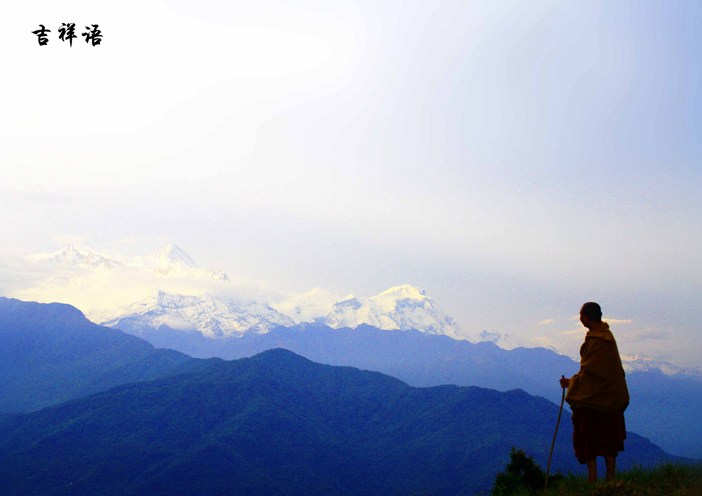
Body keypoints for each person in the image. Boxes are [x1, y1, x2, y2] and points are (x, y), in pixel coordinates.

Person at [559, 302, 629, 483]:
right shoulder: (605, 338)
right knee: (609, 439)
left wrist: (571, 384)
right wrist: (573, 382)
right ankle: (610, 478)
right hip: (610, 398)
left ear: (587, 318)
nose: (580, 319)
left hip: (595, 402)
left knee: (589, 438)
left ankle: (594, 478)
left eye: (581, 316)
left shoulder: (599, 341)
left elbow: (592, 375)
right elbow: (594, 373)